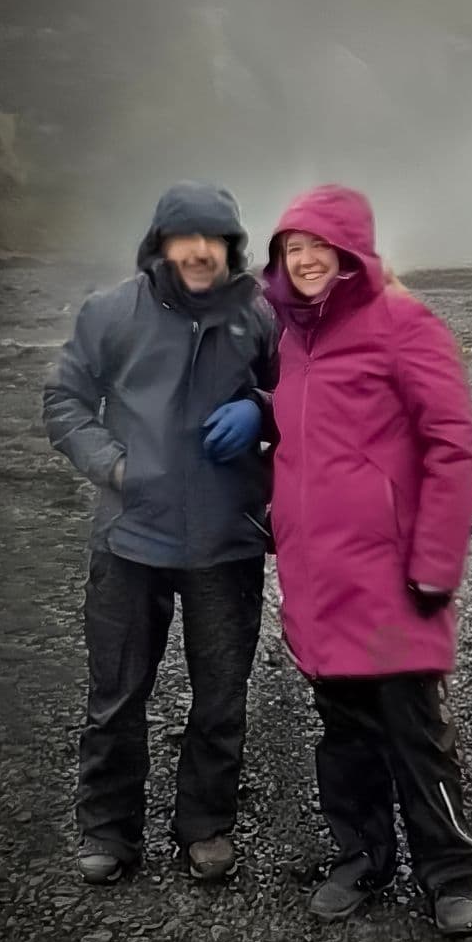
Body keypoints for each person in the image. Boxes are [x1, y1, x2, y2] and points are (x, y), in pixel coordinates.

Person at [261, 184, 472, 934]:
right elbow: (305, 441)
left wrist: (435, 565)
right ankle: (361, 857)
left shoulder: (403, 324)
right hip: (319, 581)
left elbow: (453, 445)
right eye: (293, 250)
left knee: (416, 737)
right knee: (344, 736)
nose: (306, 260)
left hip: (393, 580)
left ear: (350, 250)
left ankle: (450, 875)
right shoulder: (294, 339)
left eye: (318, 246)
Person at [43, 183, 276, 885]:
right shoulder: (112, 312)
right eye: (186, 236)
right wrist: (112, 466)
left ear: (232, 247)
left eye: (215, 237)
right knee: (115, 692)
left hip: (224, 538)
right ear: (161, 243)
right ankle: (109, 831)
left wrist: (262, 412)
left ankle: (205, 826)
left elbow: (301, 393)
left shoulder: (259, 317)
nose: (201, 250)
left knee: (220, 694)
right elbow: (65, 398)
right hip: (129, 538)